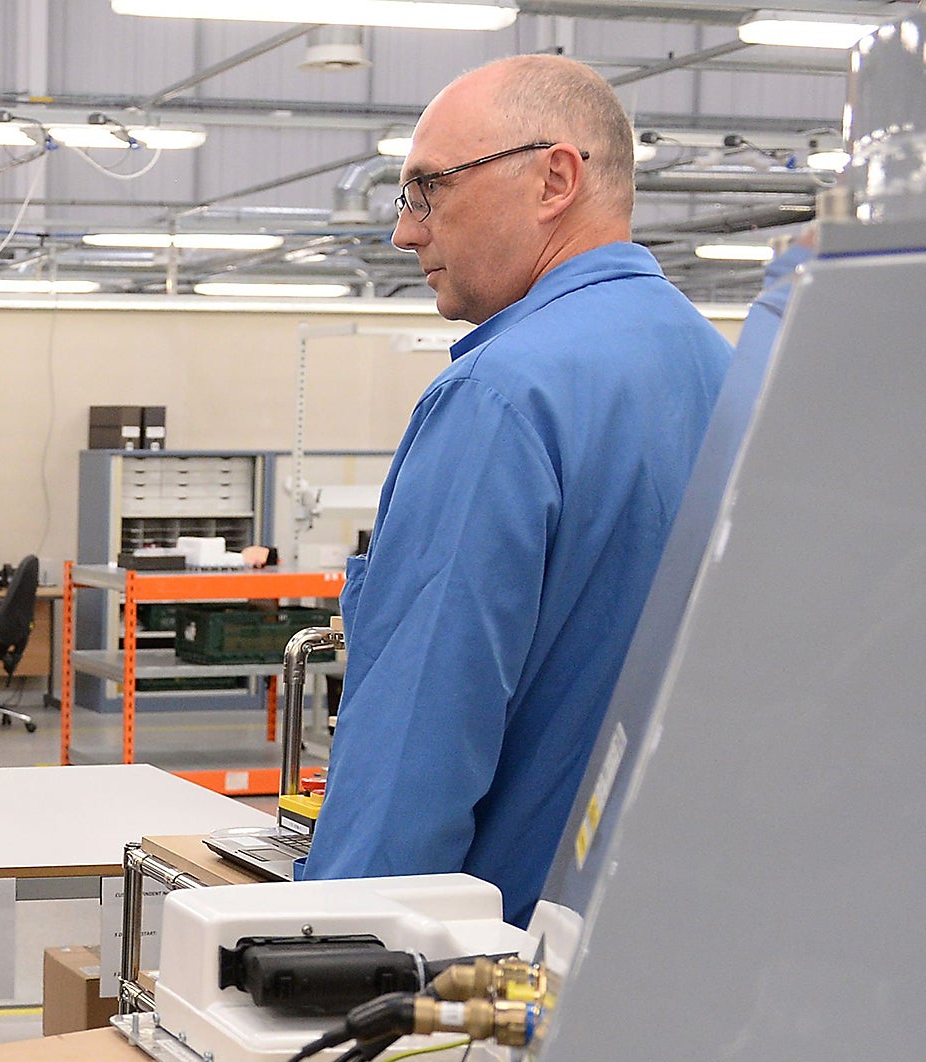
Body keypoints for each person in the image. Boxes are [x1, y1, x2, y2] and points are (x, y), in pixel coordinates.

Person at [299, 55, 732, 925]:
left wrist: (325, 960)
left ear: (554, 179)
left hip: (493, 975)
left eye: (428, 189)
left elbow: (413, 758)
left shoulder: (500, 400)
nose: (405, 232)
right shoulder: (729, 374)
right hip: (669, 939)